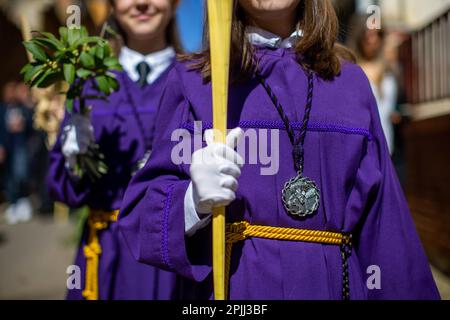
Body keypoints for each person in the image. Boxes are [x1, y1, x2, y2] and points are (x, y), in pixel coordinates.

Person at [118, 0, 440, 299]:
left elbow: (387, 230)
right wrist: (191, 202)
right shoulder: (196, 83)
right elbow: (140, 216)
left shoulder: (351, 85)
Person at [47, 0, 181, 300]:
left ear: (175, 4)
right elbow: (61, 190)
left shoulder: (200, 80)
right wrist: (74, 159)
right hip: (106, 254)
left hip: (172, 259)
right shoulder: (88, 84)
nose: (142, 3)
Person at [349, 18, 398, 155]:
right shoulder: (351, 68)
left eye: (377, 34)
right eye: (368, 33)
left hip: (388, 145)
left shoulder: (389, 70)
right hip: (363, 147)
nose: (372, 39)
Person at [1, 81, 34, 224]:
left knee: (21, 174)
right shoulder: (2, 109)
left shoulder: (21, 108)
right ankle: (13, 203)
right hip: (6, 147)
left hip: (19, 146)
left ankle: (22, 201)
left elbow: (31, 123)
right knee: (8, 177)